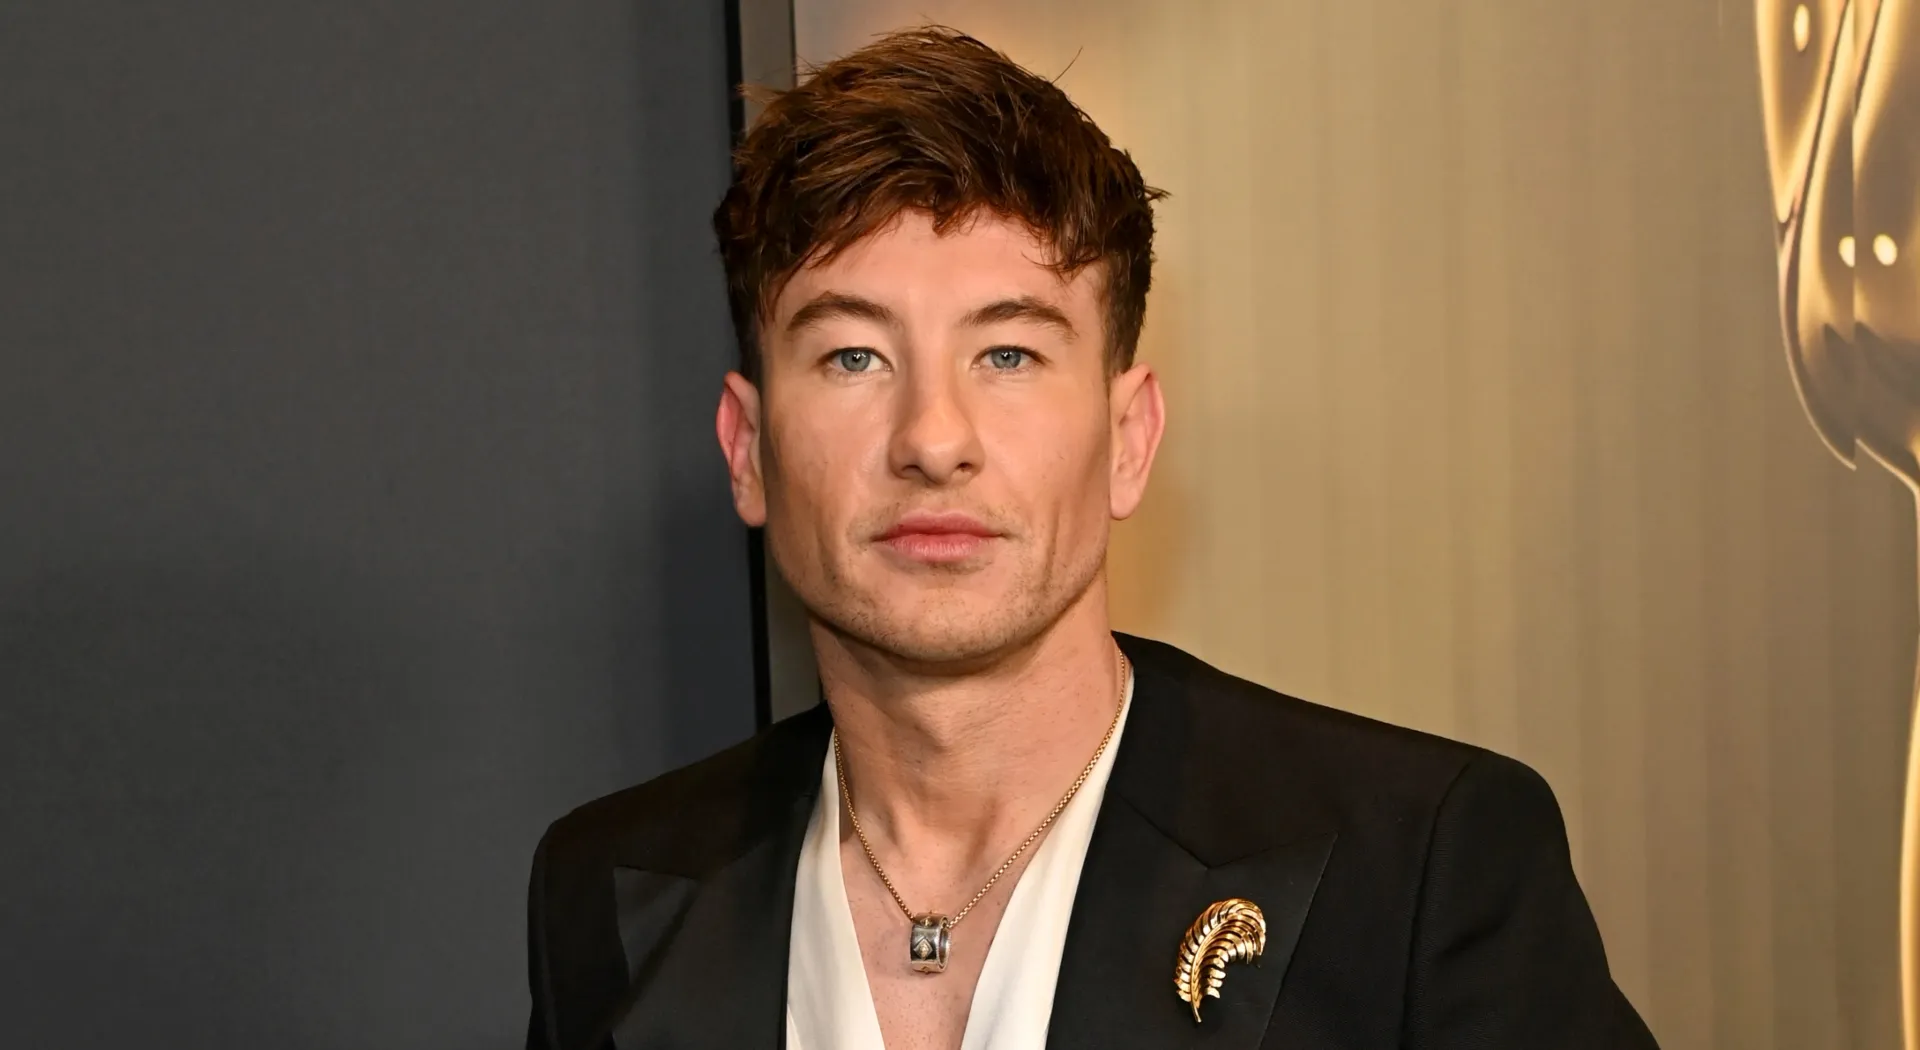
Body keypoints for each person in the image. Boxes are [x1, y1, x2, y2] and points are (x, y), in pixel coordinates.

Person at [523, 26, 1657, 1050]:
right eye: (852, 357)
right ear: (748, 448)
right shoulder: (607, 895)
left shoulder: (1420, 871)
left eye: (1009, 354)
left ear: (1127, 438)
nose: (933, 438)